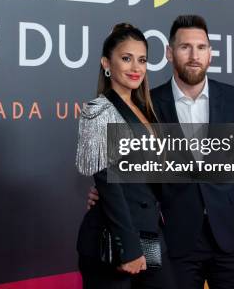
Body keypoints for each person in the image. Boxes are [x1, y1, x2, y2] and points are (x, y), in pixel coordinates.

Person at [88, 15, 234, 289]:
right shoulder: (147, 105)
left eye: (201, 47)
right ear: (170, 53)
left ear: (210, 54)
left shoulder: (233, 98)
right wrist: (110, 190)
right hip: (175, 239)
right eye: (185, 47)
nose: (194, 55)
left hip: (230, 237)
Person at [76, 23, 177, 289]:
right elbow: (108, 184)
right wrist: (129, 249)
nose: (136, 68)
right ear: (106, 63)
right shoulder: (96, 111)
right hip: (114, 240)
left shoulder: (147, 111)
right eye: (126, 58)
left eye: (142, 60)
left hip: (151, 235)